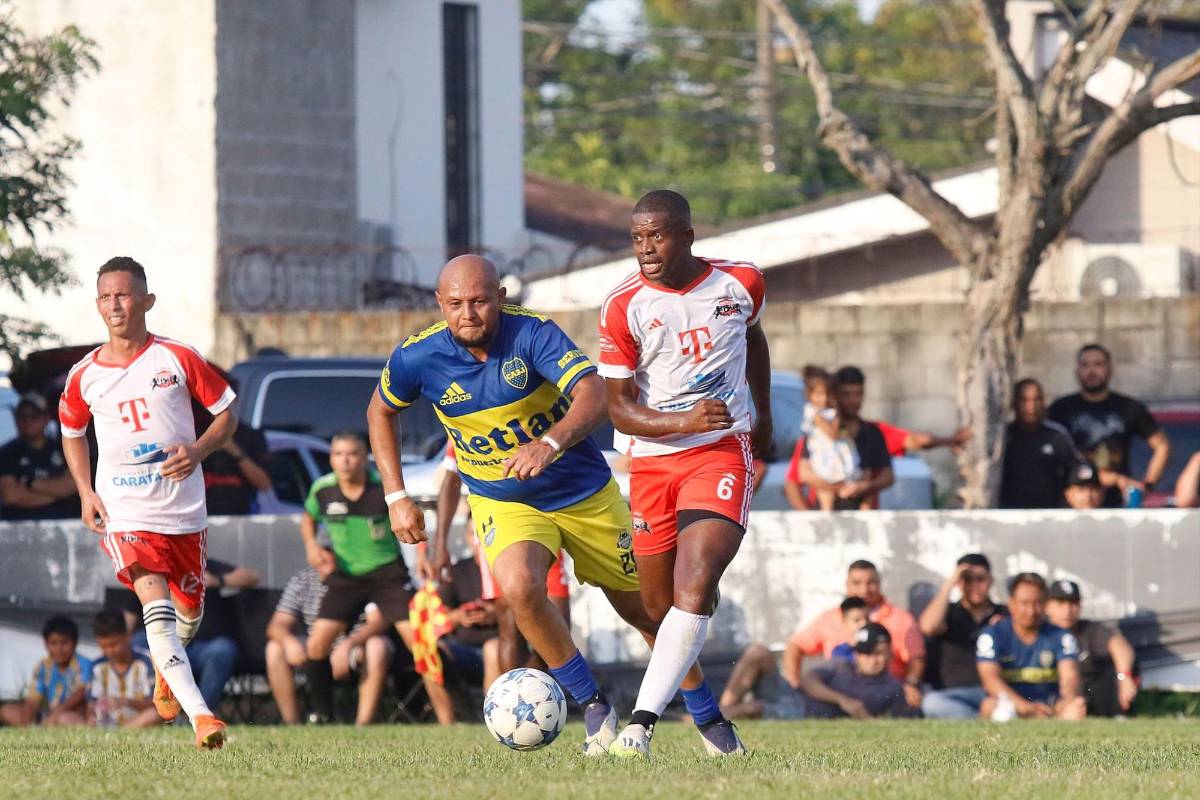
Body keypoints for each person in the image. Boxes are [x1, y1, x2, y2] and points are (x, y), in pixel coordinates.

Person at [368, 253, 705, 757]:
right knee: (519, 588)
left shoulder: (533, 334)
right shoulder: (418, 356)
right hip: (503, 500)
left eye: (480, 301)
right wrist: (396, 497)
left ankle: (709, 718)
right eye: (455, 304)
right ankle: (594, 707)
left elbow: (594, 394)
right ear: (439, 304)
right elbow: (379, 412)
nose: (468, 314)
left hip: (583, 494)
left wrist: (550, 443)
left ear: (501, 298)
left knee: (647, 613)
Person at [599, 189, 771, 757]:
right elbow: (618, 408)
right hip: (653, 462)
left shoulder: (741, 283)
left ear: (688, 236)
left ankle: (639, 726)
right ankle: (709, 718)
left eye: (658, 235)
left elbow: (753, 338)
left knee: (693, 586)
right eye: (637, 238)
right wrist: (681, 420)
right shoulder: (623, 305)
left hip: (720, 451)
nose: (646, 248)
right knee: (658, 607)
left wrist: (763, 414)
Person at [58, 256, 235, 749]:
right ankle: (203, 718)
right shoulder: (84, 374)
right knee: (154, 609)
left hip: (183, 512)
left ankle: (165, 670)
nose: (114, 305)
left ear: (146, 301)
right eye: (105, 297)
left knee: (188, 613)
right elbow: (72, 432)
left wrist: (197, 451)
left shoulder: (177, 358)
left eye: (123, 294)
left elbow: (227, 414)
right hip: (125, 513)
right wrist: (86, 492)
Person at [300, 430, 417, 724]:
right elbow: (307, 518)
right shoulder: (322, 490)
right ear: (331, 459)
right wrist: (312, 546)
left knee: (419, 642)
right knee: (316, 643)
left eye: (352, 454)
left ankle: (445, 713)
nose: (345, 461)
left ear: (365, 458)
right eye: (338, 454)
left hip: (388, 574)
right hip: (347, 576)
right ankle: (322, 715)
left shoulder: (382, 488)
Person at [265, 565, 394, 726]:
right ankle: (293, 723)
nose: (325, 559)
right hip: (315, 649)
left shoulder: (362, 577)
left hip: (355, 647)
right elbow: (277, 624)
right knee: (274, 648)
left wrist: (348, 645)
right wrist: (289, 642)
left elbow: (379, 621)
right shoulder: (303, 580)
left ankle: (363, 724)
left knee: (378, 645)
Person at [784, 560, 925, 707]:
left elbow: (916, 658)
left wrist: (911, 683)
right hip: (837, 694)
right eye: (857, 583)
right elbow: (796, 645)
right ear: (847, 585)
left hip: (882, 692)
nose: (864, 590)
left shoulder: (900, 619)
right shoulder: (831, 620)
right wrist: (794, 683)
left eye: (871, 583)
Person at [1048, 343, 1170, 507]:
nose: (1091, 371)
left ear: (1110, 369)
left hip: (1117, 502)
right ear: (1077, 370)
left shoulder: (1128, 407)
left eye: (1098, 364)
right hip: (1073, 503)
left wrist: (1147, 485)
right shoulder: (1060, 409)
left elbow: (1162, 446)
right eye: (1085, 365)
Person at [717, 596, 866, 721]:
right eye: (857, 620)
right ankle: (717, 715)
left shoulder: (871, 650)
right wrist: (842, 699)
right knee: (758, 653)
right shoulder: (841, 652)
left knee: (753, 709)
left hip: (803, 709)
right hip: (795, 694)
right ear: (844, 622)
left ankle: (714, 719)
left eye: (866, 619)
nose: (863, 625)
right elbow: (808, 678)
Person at [976, 572, 1086, 721]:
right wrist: (1024, 707)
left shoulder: (1062, 636)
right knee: (990, 706)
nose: (1031, 611)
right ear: (1011, 604)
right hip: (1010, 704)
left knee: (1075, 706)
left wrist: (1068, 700)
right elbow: (990, 679)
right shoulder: (992, 634)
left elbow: (1070, 676)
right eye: (1025, 603)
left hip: (1050, 707)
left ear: (1045, 604)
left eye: (1037, 603)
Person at [919, 553, 1007, 719]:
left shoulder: (1004, 614)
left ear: (991, 580)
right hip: (954, 693)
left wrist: (1003, 629)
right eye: (968, 579)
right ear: (959, 582)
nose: (975, 586)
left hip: (994, 690)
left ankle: (992, 714)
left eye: (980, 579)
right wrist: (950, 583)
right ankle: (982, 718)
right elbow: (927, 627)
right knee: (931, 703)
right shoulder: (948, 613)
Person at [796, 367, 894, 510]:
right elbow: (803, 474)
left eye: (858, 394)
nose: (853, 400)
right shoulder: (816, 433)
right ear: (835, 396)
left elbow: (887, 476)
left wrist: (864, 487)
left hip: (860, 512)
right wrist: (839, 488)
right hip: (827, 511)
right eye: (846, 395)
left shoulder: (872, 433)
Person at [423, 556, 502, 724]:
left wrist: (495, 613)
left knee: (492, 648)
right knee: (428, 653)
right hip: (462, 650)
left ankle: (495, 719)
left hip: (501, 649)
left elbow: (521, 608)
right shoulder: (457, 570)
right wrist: (458, 616)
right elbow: (438, 614)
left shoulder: (504, 565)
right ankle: (448, 724)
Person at [1044, 580, 1137, 717]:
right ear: (1047, 606)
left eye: (1073, 603)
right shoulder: (1040, 633)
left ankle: (1118, 714)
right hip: (1051, 696)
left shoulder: (1089, 630)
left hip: (1087, 697)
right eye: (1060, 603)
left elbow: (1119, 645)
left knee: (1106, 676)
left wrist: (1124, 676)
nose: (1067, 610)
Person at [999, 379, 1089, 508]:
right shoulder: (1004, 436)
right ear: (1014, 403)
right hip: (1009, 512)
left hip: (1050, 512)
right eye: (1024, 400)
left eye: (1036, 400)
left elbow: (1078, 466)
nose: (1030, 406)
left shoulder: (1056, 435)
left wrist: (1076, 487)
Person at [799, 624, 919, 720]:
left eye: (878, 653)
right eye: (865, 653)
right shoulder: (839, 666)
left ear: (889, 654)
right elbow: (807, 680)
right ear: (856, 654)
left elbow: (895, 726)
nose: (871, 659)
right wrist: (842, 700)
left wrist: (868, 719)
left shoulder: (893, 688)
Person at [185, 559, 260, 712]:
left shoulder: (202, 565)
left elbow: (253, 577)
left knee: (222, 650)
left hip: (207, 647)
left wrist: (217, 580)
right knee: (143, 643)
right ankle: (157, 713)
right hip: (174, 645)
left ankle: (201, 713)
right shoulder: (159, 572)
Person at [0, 393, 81, 520]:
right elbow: (11, 496)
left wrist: (30, 483)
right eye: (22, 417)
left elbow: (74, 486)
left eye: (34, 416)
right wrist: (58, 494)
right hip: (19, 525)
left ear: (46, 418)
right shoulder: (6, 453)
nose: (28, 421)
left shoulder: (64, 448)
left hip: (65, 524)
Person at [0, 616, 91, 727]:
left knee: (65, 719)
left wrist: (56, 714)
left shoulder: (83, 663)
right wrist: (26, 724)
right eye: (53, 644)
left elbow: (81, 692)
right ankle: (35, 727)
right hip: (48, 715)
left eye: (64, 643)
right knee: (7, 710)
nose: (59, 649)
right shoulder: (43, 666)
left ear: (75, 643)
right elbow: (33, 699)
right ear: (46, 644)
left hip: (70, 714)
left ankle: (46, 725)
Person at [88, 608, 158, 728]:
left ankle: (124, 728)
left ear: (127, 637)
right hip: (106, 721)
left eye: (114, 645)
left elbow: (156, 703)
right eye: (103, 646)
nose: (109, 651)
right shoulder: (97, 666)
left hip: (139, 718)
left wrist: (127, 702)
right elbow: (90, 704)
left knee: (155, 714)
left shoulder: (145, 662)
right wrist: (97, 710)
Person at [201, 400, 271, 515]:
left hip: (241, 516)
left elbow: (264, 483)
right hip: (203, 515)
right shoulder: (197, 434)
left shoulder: (251, 436)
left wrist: (234, 451)